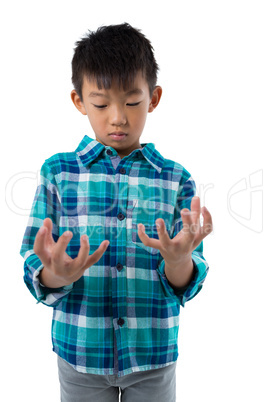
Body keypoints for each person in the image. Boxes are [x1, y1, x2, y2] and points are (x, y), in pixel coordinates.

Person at [20, 23, 213, 402]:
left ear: (153, 97)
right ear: (79, 101)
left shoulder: (175, 179)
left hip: (152, 353)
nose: (118, 118)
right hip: (80, 351)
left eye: (132, 101)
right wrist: (56, 273)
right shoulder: (58, 172)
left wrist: (179, 259)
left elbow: (185, 282)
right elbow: (32, 259)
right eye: (101, 103)